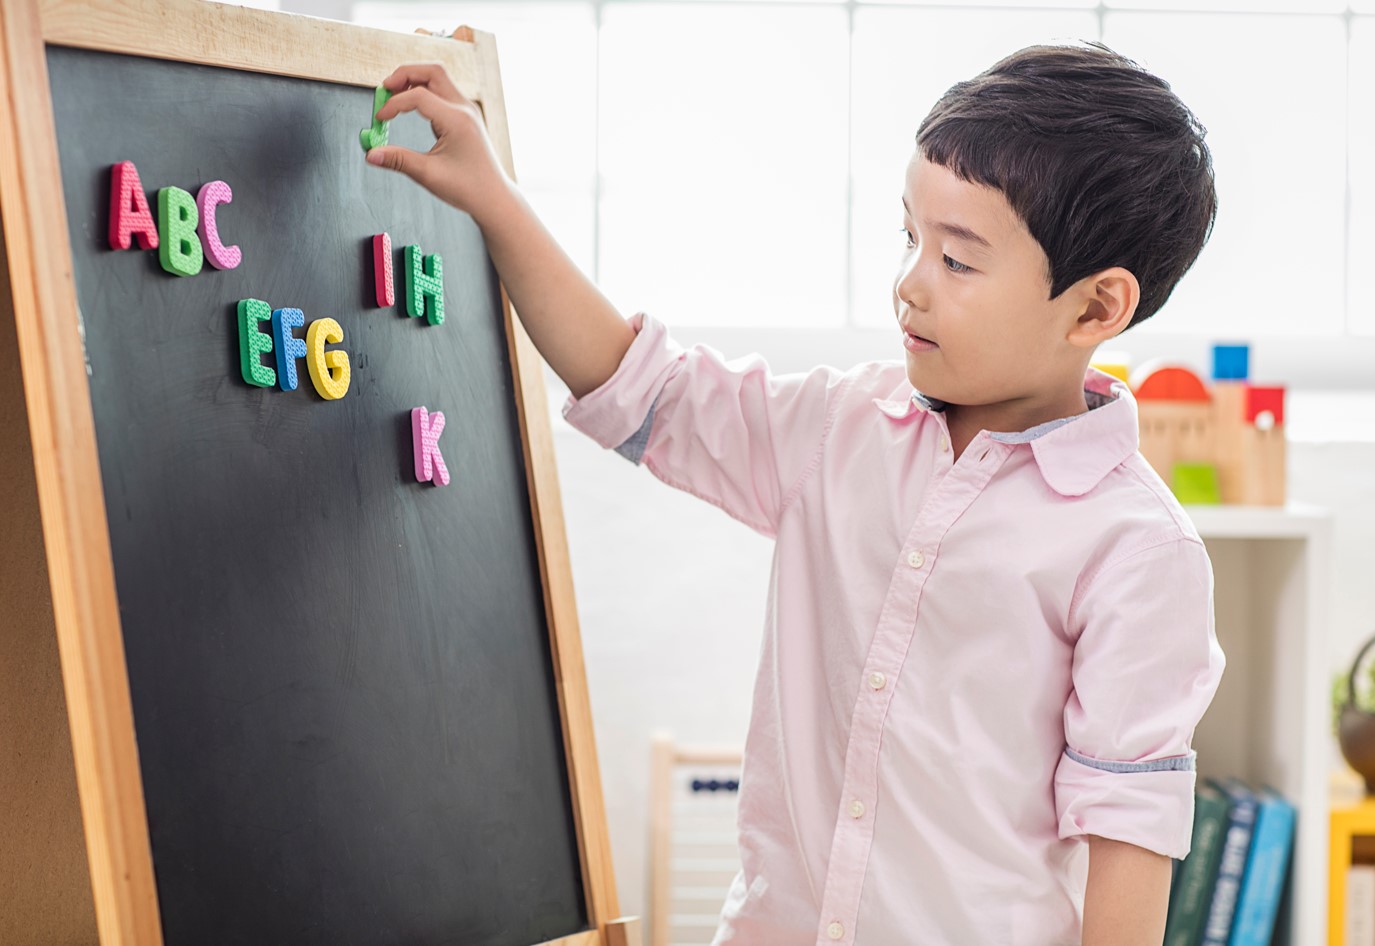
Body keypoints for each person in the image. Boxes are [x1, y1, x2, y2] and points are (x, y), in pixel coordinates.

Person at [366, 40, 1226, 946]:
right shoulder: (838, 427)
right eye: (910, 239)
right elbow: (635, 386)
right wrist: (495, 200)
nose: (908, 286)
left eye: (959, 262)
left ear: (1095, 309)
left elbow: (1127, 835)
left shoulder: (1136, 552)